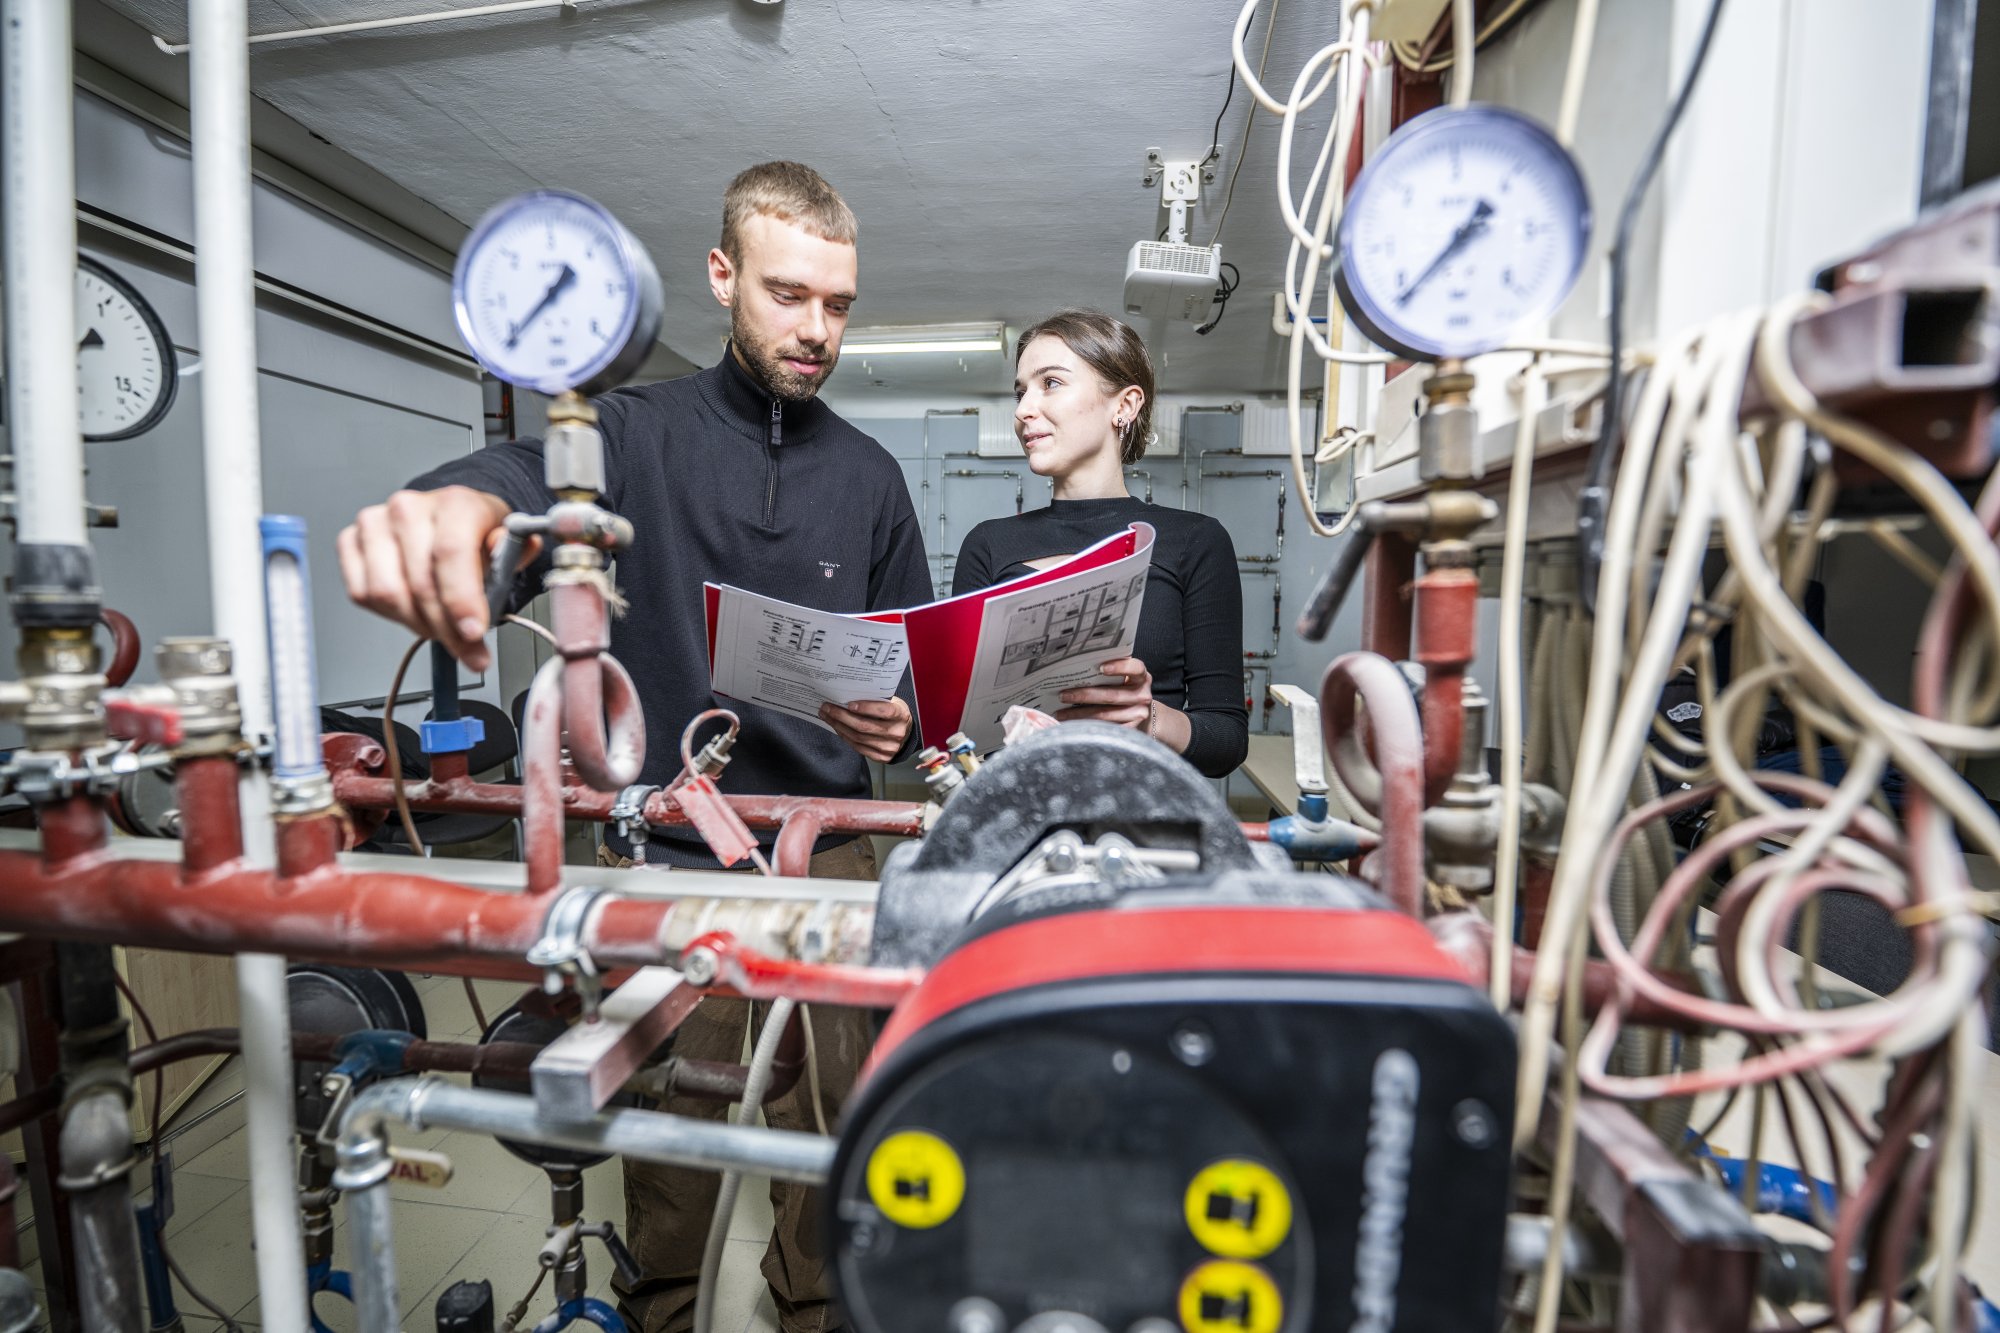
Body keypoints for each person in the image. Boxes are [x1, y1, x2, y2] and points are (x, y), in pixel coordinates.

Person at [338, 161, 930, 1333]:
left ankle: (819, 1313)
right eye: (787, 294)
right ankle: (663, 1311)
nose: (816, 330)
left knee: (838, 1138)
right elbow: (521, 476)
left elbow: (905, 667)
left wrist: (895, 712)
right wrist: (460, 504)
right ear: (721, 277)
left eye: (837, 304)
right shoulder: (629, 428)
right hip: (674, 860)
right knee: (673, 1155)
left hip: (831, 862)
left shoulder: (870, 476)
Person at [953, 309, 1248, 779]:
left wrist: (1146, 718)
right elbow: (960, 726)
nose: (1023, 409)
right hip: (1017, 820)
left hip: (1143, 827)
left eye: (1050, 383)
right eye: (1020, 390)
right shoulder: (988, 544)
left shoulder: (1195, 541)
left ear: (1125, 405)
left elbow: (1226, 741)